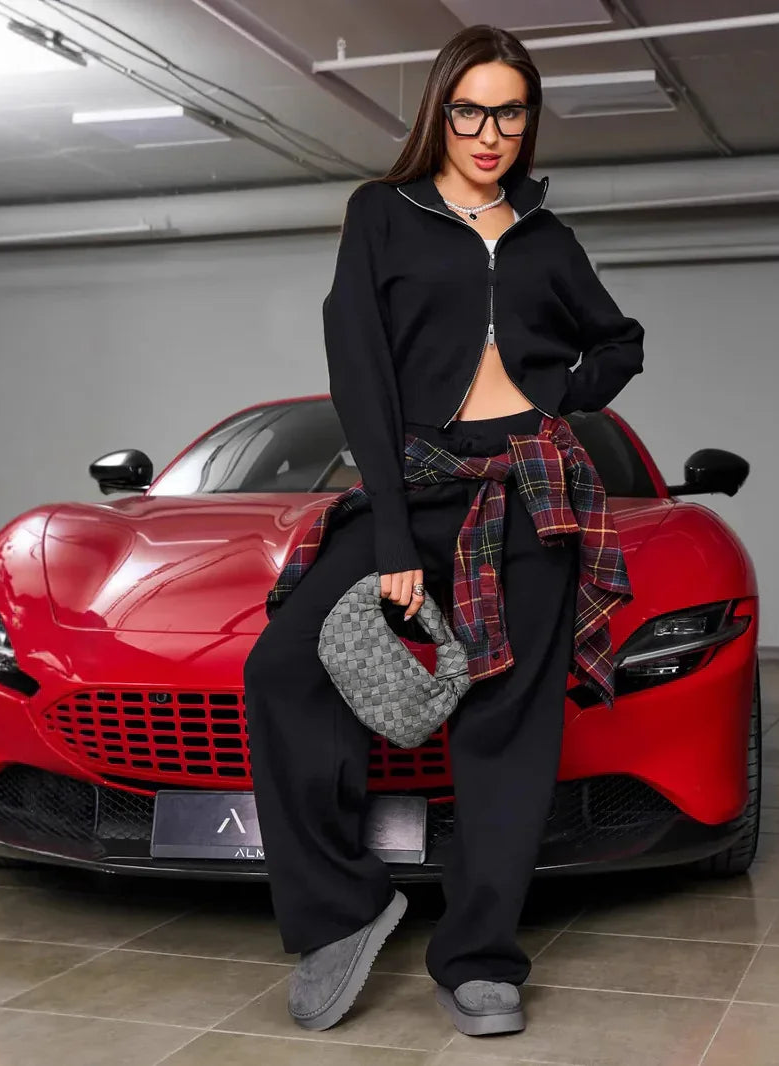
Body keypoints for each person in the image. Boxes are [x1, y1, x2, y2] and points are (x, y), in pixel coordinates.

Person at [242, 23, 645, 1038]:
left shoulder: (548, 240)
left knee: (505, 729)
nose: (489, 131)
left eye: (510, 111)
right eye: (470, 109)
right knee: (283, 670)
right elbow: (361, 375)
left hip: (530, 495)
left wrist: (555, 391)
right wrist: (384, 542)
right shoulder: (382, 215)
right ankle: (341, 910)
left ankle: (477, 957)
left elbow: (620, 341)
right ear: (438, 110)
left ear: (528, 120)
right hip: (411, 489)